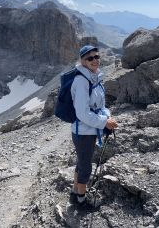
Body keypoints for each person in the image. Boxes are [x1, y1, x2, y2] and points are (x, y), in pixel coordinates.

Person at [69, 45, 118, 209]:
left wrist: (107, 116)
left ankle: (76, 191)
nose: (95, 60)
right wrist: (104, 122)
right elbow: (82, 113)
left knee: (82, 162)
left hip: (88, 129)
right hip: (83, 131)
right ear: (82, 61)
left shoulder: (94, 77)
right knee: (85, 166)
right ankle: (81, 201)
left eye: (96, 56)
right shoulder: (82, 81)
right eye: (90, 58)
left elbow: (100, 105)